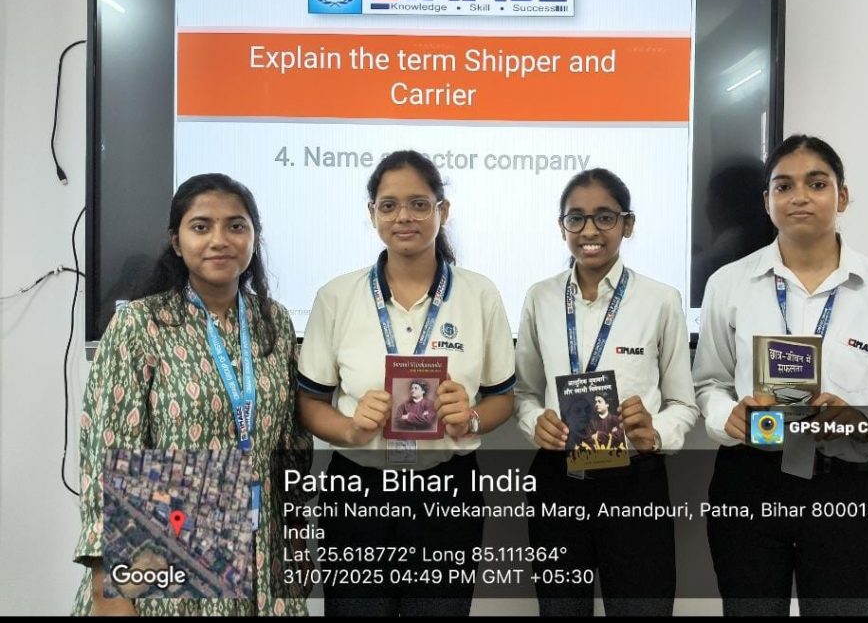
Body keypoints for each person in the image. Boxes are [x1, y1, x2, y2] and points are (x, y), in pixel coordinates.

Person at [692, 135, 868, 616]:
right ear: (766, 201)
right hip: (750, 482)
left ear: (842, 196)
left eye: (817, 183)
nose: (799, 196)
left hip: (842, 486)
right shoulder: (728, 284)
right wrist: (729, 415)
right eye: (783, 186)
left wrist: (860, 421)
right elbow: (710, 383)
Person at [72, 173, 312, 616]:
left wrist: (296, 540)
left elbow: (290, 441)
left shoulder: (274, 322)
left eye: (236, 226)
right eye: (201, 227)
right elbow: (107, 456)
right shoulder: (140, 324)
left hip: (262, 554)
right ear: (177, 242)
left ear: (254, 237)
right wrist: (111, 589)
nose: (220, 240)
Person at [296, 150, 516, 617]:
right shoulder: (337, 296)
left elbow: (502, 398)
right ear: (372, 213)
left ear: (443, 211)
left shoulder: (479, 294)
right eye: (389, 205)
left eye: (419, 204)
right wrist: (350, 428)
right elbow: (310, 401)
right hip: (358, 490)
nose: (404, 217)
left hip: (447, 490)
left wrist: (470, 417)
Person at [514, 168, 700, 616]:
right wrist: (534, 422)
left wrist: (655, 433)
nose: (589, 231)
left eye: (604, 217)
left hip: (635, 483)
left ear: (627, 224)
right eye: (575, 218)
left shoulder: (661, 299)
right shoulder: (540, 297)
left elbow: (683, 403)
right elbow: (524, 392)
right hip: (558, 482)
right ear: (562, 226)